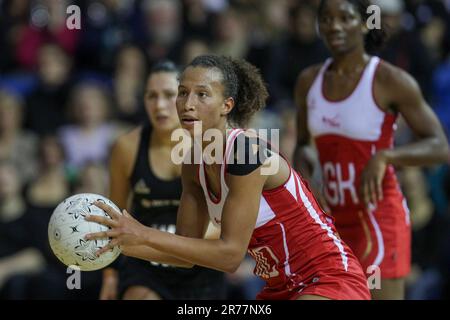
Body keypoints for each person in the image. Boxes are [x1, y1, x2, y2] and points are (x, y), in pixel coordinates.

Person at [86, 55, 371, 300]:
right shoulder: (192, 163)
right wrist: (120, 244)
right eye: (182, 93)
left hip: (330, 278)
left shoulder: (247, 152)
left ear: (227, 105)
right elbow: (185, 254)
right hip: (282, 288)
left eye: (202, 94)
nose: (187, 103)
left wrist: (143, 233)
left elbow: (230, 256)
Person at [293, 0, 449, 300]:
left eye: (345, 18)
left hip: (377, 216)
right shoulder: (308, 81)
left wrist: (387, 156)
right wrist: (309, 178)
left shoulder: (388, 79)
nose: (335, 25)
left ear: (365, 23)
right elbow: (303, 146)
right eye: (327, 18)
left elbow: (440, 146)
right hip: (331, 219)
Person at [99, 61, 227, 300]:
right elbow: (112, 216)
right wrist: (110, 275)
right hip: (145, 265)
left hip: (198, 263)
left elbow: (223, 227)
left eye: (169, 95)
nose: (159, 106)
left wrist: (173, 244)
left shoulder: (211, 145)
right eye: (151, 96)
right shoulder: (127, 147)